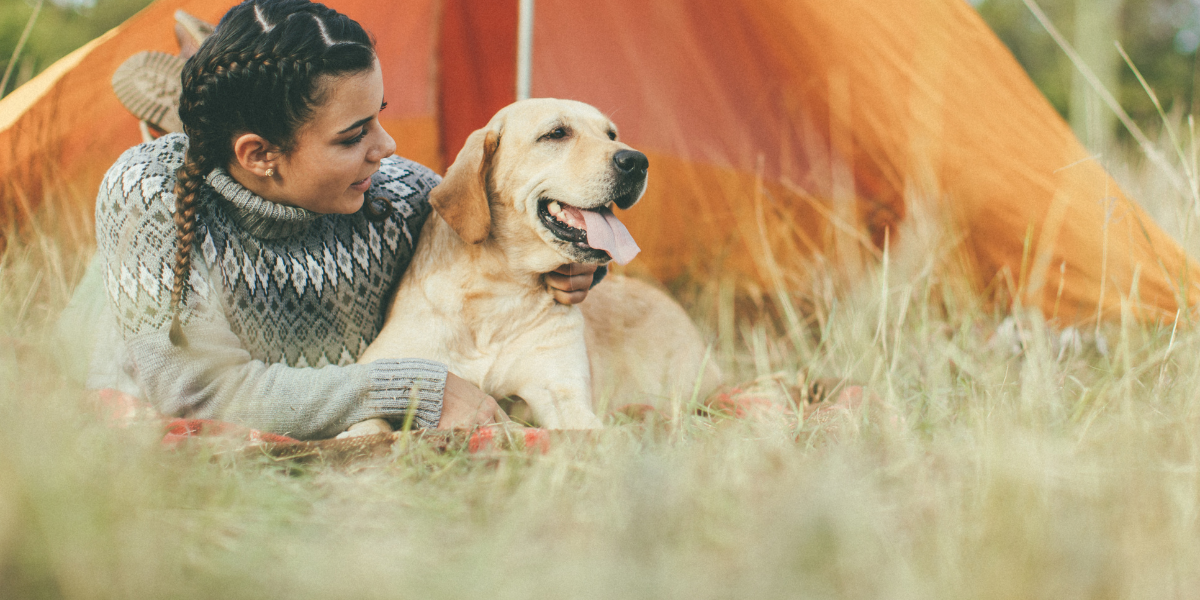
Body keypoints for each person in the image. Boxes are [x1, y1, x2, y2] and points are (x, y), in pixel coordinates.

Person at [84, 0, 600, 440]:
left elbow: (503, 216)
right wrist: (411, 389)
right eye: (354, 135)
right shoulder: (149, 192)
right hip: (148, 413)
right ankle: (197, 129)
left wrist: (581, 267)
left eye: (381, 113)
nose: (388, 146)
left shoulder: (399, 191)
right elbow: (197, 395)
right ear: (259, 152)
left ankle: (225, 110)